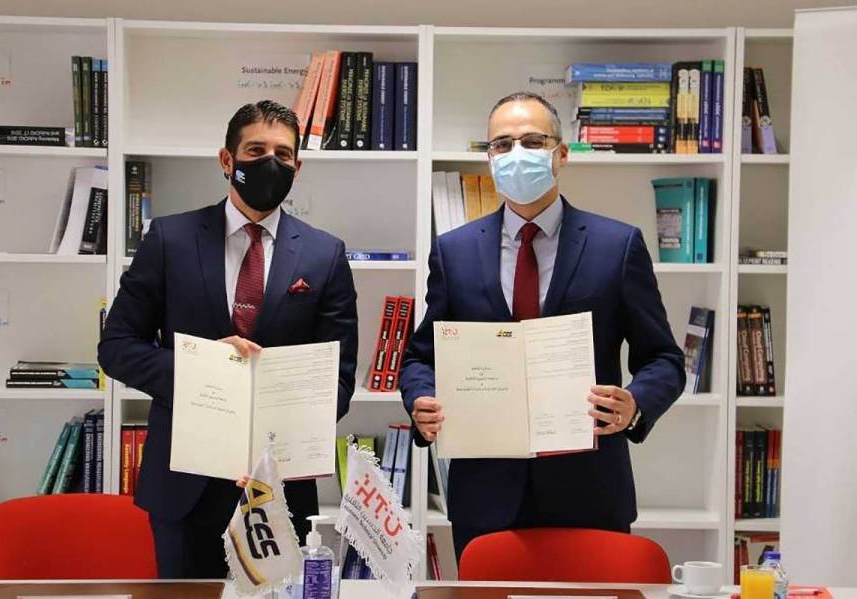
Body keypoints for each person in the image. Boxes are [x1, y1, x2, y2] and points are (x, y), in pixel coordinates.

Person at [399, 91, 685, 561]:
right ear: (490, 159)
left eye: (532, 141)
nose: (516, 154)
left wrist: (635, 402)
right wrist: (421, 400)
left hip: (590, 489)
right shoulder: (454, 251)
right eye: (502, 144)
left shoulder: (617, 246)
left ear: (561, 154)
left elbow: (665, 360)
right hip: (484, 493)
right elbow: (420, 357)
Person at [98, 100, 358, 579]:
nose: (270, 163)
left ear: (297, 168)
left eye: (283, 154)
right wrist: (201, 370)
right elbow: (115, 347)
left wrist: (284, 429)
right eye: (256, 150)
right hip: (183, 486)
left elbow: (339, 381)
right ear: (227, 160)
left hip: (279, 487)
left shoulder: (325, 255)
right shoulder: (169, 240)